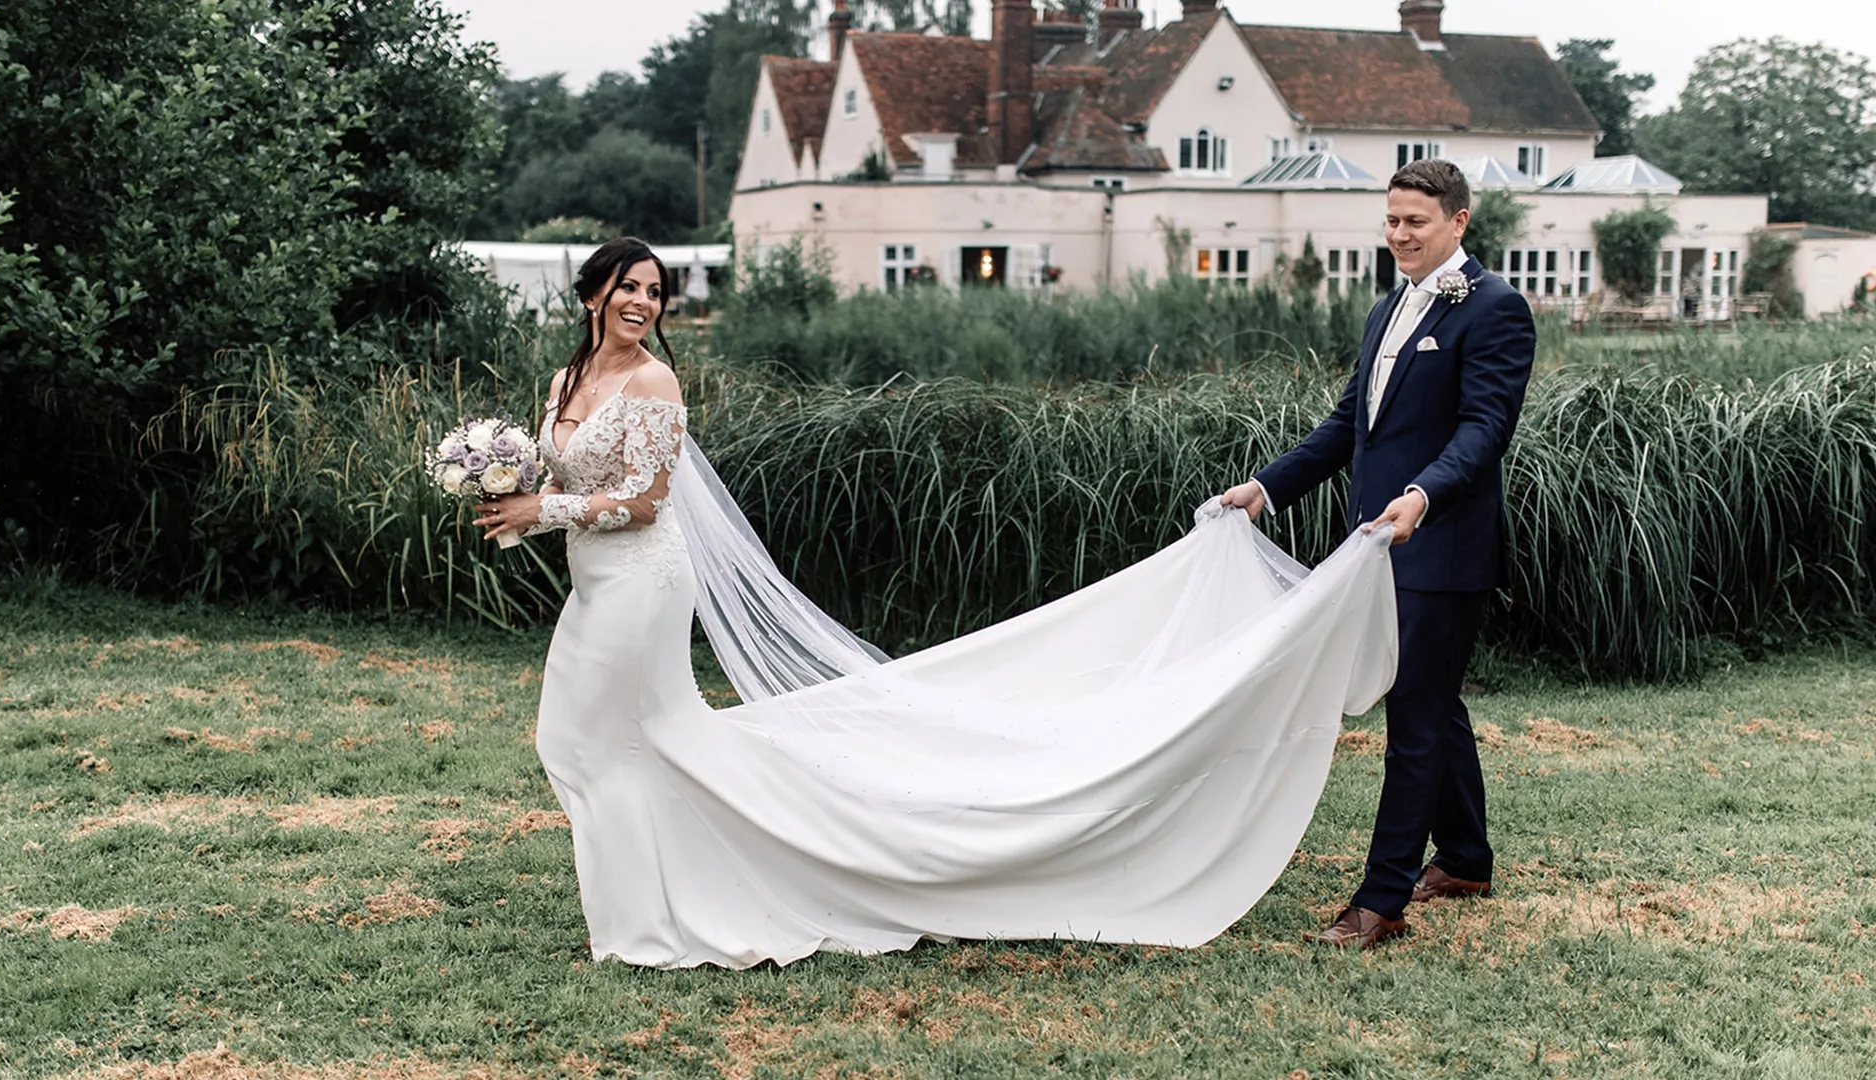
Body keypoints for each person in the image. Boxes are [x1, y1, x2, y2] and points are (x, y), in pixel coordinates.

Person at [472, 237, 1403, 970]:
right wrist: (511, 503)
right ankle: (654, 893)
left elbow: (647, 498)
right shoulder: (566, 383)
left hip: (644, 576)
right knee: (592, 738)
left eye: (656, 291)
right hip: (596, 576)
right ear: (592, 294)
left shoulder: (654, 381)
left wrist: (541, 507)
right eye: (628, 287)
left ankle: (669, 910)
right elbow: (567, 477)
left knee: (620, 734)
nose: (643, 303)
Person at [1220, 159, 1535, 950]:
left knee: (1417, 718)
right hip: (1374, 545)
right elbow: (1346, 426)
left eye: (1416, 222)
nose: (1399, 235)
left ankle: (1382, 901)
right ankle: (1465, 860)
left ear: (1458, 222)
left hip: (1441, 547)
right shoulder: (1388, 306)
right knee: (1430, 704)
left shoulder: (1495, 308)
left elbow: (1484, 431)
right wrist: (1265, 487)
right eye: (1391, 220)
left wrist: (1425, 497)